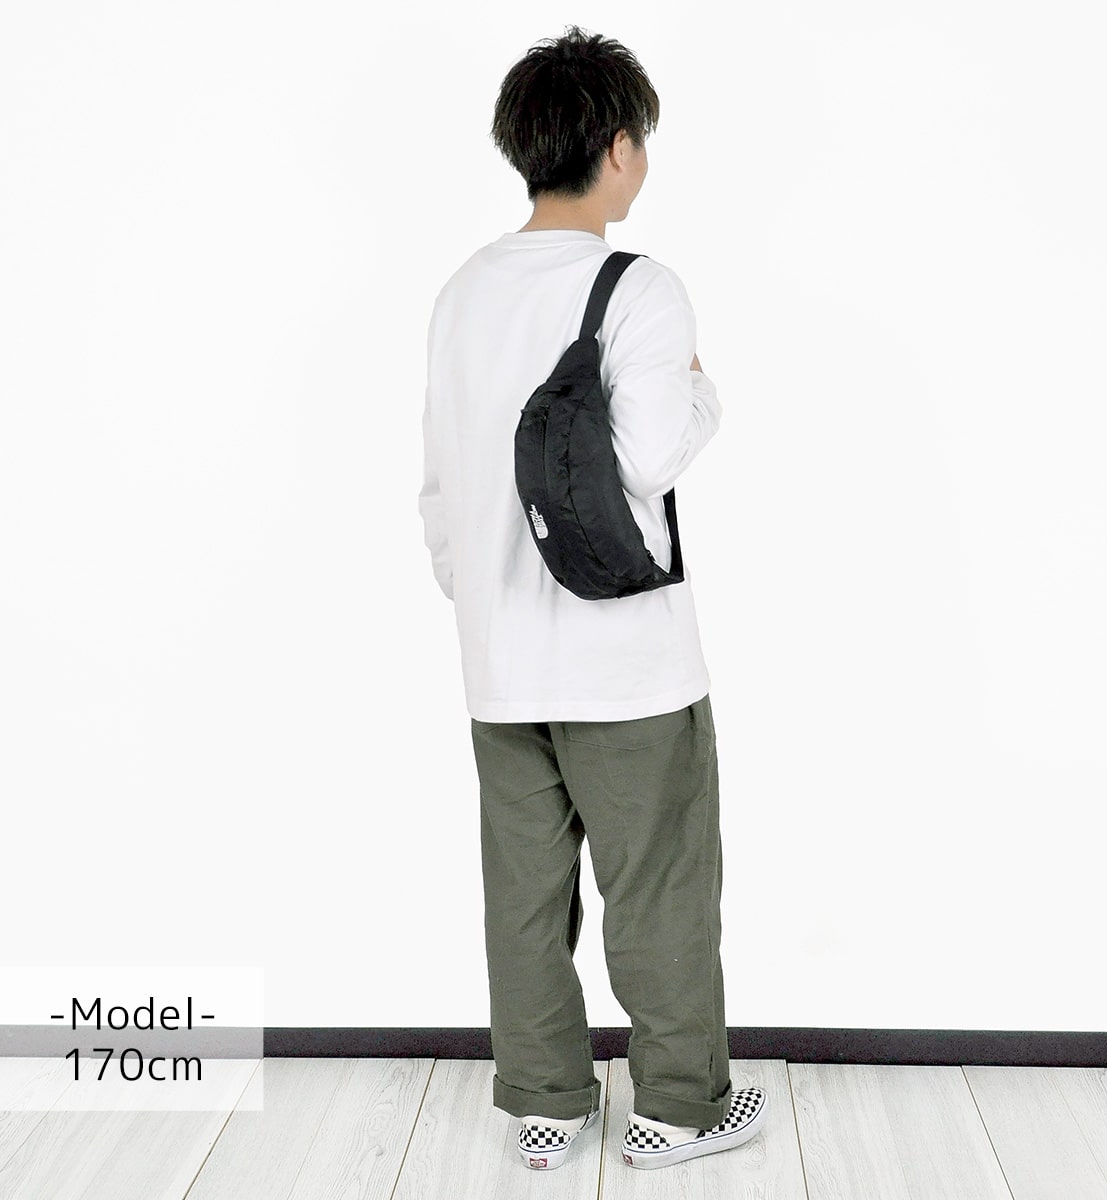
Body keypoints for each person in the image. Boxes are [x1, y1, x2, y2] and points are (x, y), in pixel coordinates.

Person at [417, 24, 766, 1172]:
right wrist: (706, 396)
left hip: (500, 664)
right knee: (660, 884)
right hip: (627, 663)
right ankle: (677, 1109)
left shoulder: (463, 293)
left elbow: (442, 486)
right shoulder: (640, 288)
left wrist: (485, 607)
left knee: (524, 896)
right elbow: (651, 456)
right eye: (641, 140)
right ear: (617, 147)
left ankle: (547, 1107)